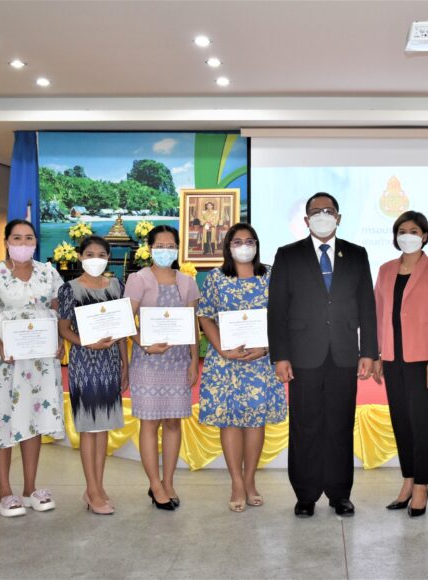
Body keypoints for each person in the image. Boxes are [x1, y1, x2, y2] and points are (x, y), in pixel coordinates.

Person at [268, 192, 378, 519]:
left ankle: (340, 494)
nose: (322, 215)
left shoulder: (356, 254)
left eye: (328, 210)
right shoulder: (288, 255)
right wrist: (280, 356)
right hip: (303, 355)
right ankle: (306, 494)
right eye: (316, 211)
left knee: (340, 424)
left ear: (339, 218)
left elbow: (367, 306)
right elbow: (277, 309)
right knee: (305, 425)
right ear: (306, 220)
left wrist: (368, 351)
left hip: (344, 353)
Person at [0, 219, 65, 518]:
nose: (23, 243)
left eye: (29, 238)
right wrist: (1, 346)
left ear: (35, 242)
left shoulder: (48, 273)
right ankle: (3, 492)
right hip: (5, 360)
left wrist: (60, 340)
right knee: (2, 419)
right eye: (17, 238)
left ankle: (30, 488)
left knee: (33, 418)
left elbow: (57, 312)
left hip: (40, 361)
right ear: (6, 241)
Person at [198, 224, 286, 513]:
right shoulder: (215, 278)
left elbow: (282, 316)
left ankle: (250, 481)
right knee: (230, 421)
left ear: (257, 245)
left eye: (250, 241)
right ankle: (236, 482)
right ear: (228, 246)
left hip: (260, 361)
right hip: (225, 361)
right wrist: (223, 348)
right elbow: (205, 316)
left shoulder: (271, 275)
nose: (244, 246)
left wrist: (268, 347)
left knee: (255, 421)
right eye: (237, 241)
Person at [372, 211, 428, 518]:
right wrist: (378, 354)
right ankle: (407, 480)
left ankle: (421, 486)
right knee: (402, 422)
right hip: (393, 359)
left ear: (425, 236)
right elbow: (378, 314)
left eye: (414, 231)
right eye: (402, 231)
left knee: (421, 424)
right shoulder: (385, 270)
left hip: (423, 360)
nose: (407, 235)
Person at [124, 225, 200, 511]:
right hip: (148, 361)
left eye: (171, 246)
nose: (165, 250)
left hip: (178, 361)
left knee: (172, 422)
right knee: (150, 422)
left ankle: (168, 482)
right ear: (150, 248)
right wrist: (144, 344)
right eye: (160, 246)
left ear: (177, 249)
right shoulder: (138, 279)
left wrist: (194, 360)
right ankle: (154, 484)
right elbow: (125, 320)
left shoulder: (187, 282)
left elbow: (192, 324)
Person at [57, 236, 127, 515]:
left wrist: (125, 364)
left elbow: (122, 330)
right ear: (80, 256)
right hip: (85, 363)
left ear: (108, 258)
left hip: (110, 363)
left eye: (101, 254)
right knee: (89, 427)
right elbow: (63, 328)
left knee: (104, 427)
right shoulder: (69, 289)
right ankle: (92, 489)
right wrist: (86, 342)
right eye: (89, 254)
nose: (95, 259)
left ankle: (97, 486)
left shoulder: (116, 286)